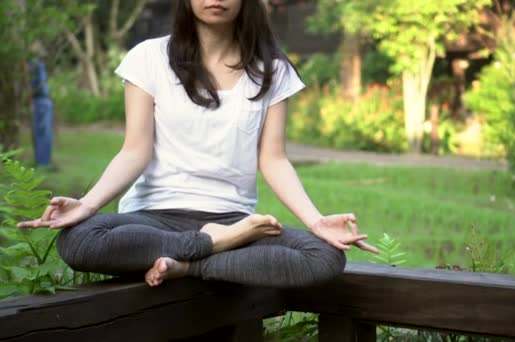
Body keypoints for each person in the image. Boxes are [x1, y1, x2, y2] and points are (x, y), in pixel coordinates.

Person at [17, 0, 378, 288]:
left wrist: (316, 222)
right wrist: (87, 204)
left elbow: (274, 160)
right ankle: (211, 246)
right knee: (78, 241)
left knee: (324, 257)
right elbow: (134, 150)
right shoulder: (148, 58)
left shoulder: (272, 71)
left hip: (232, 220)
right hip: (154, 216)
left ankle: (187, 266)